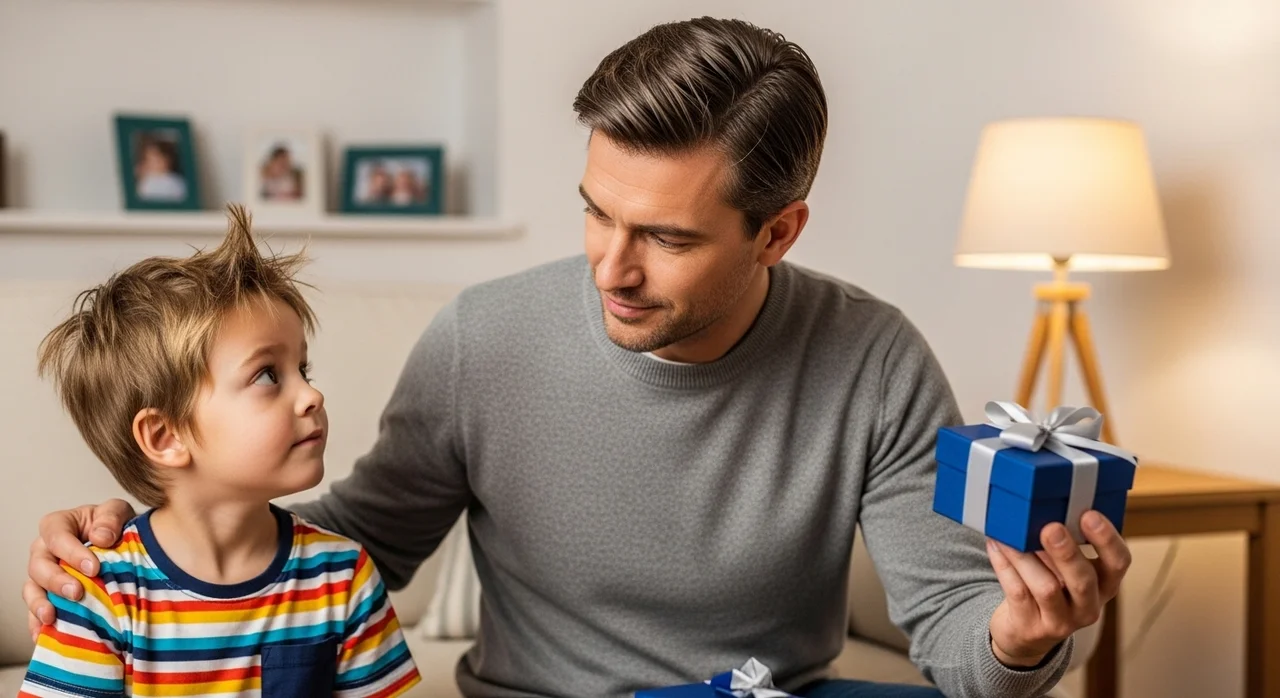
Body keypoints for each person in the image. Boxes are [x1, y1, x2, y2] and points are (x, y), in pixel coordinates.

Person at [24, 18, 1130, 698]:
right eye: (597, 211)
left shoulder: (870, 358)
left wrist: (1021, 636)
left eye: (667, 237)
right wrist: (159, 527)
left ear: (777, 233)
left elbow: (955, 637)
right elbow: (357, 545)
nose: (611, 265)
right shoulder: (482, 338)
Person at [19, 205, 421, 698]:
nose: (312, 395)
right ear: (166, 437)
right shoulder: (101, 592)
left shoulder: (344, 575)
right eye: (267, 374)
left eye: (303, 370)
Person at [133, 134, 187, 201]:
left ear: (167, 160)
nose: (152, 163)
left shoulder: (175, 182)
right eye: (149, 159)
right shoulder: (146, 178)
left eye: (156, 159)